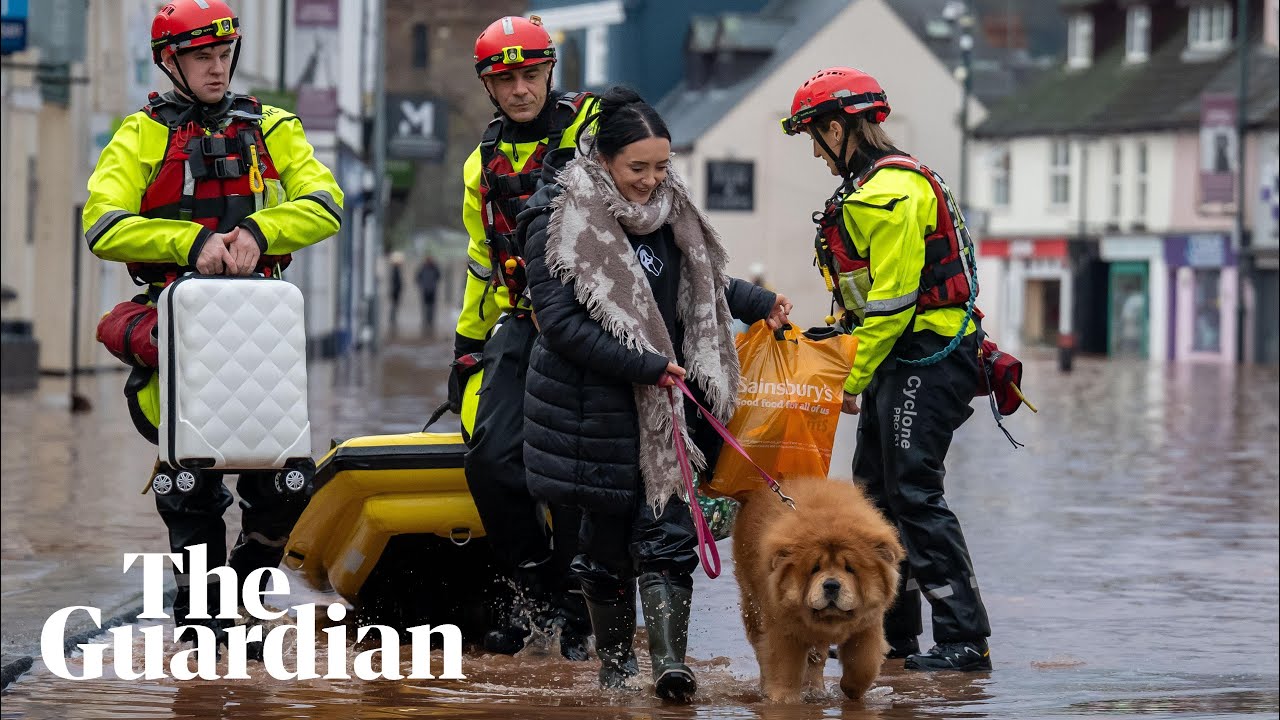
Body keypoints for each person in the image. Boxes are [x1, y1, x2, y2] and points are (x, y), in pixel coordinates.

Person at [518, 87, 790, 701]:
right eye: (637, 168)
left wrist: (757, 303)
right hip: (593, 411)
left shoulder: (673, 212)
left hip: (667, 407)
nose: (651, 180)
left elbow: (703, 286)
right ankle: (616, 673)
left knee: (669, 540)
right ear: (603, 158)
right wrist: (644, 365)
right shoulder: (556, 221)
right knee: (604, 549)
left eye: (662, 166)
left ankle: (670, 668)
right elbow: (560, 326)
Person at [83, 0, 342, 635]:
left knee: (283, 489)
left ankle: (249, 592)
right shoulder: (138, 134)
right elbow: (103, 224)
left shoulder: (273, 127)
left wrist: (259, 227)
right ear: (170, 61)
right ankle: (201, 631)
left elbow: (325, 203)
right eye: (202, 56)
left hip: (261, 334)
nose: (217, 67)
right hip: (178, 333)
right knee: (189, 492)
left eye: (223, 54)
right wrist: (190, 244)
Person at [779, 67, 992, 671]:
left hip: (927, 356)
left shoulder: (889, 193)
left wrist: (850, 377)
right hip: (899, 359)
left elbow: (893, 301)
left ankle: (964, 642)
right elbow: (862, 300)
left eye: (815, 139)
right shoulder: (872, 187)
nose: (817, 155)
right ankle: (894, 638)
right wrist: (834, 353)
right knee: (873, 498)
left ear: (838, 128)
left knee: (913, 493)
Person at [449, 15, 599, 658]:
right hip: (520, 321)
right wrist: (465, 343)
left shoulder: (590, 132)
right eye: (505, 78)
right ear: (487, 85)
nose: (519, 89)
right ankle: (532, 586)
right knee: (489, 458)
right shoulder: (478, 164)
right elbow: (484, 261)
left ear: (550, 73)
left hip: (590, 323)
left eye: (531, 74)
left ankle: (576, 603)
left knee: (565, 465)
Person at [415, 255, 441, 334]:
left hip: (432, 291)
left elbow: (439, 276)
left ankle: (430, 322)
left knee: (431, 307)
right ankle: (426, 322)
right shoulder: (423, 268)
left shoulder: (434, 268)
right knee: (426, 307)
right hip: (425, 291)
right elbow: (417, 277)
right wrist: (422, 285)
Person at [388, 251, 405, 333]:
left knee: (394, 306)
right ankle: (392, 319)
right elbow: (396, 282)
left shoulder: (396, 270)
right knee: (394, 306)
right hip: (395, 291)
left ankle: (393, 319)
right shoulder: (395, 270)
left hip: (396, 291)